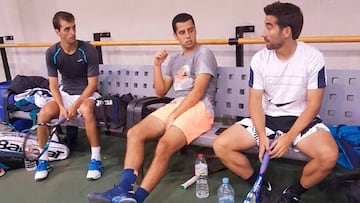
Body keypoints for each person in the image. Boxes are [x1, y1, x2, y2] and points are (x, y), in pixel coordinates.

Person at [213, 2, 338, 203]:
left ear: (286, 31)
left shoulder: (313, 57)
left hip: (300, 119)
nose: (263, 33)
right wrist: (262, 136)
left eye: (269, 27)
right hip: (268, 118)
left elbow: (313, 105)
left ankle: (294, 192)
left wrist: (289, 137)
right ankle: (259, 183)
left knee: (329, 155)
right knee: (221, 146)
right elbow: (254, 100)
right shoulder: (260, 59)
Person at [88, 12, 217, 203]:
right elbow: (161, 91)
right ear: (175, 36)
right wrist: (156, 65)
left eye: (191, 30)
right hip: (176, 105)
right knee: (135, 133)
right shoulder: (174, 60)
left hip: (200, 107)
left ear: (195, 30)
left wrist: (175, 114)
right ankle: (123, 189)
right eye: (182, 32)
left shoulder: (203, 54)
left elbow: (198, 92)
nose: (188, 36)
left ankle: (137, 199)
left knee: (164, 145)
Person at [35, 11, 102, 181]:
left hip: (87, 93)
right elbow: (53, 85)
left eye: (74, 27)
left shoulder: (88, 50)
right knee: (42, 114)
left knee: (86, 110)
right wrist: (63, 107)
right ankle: (43, 160)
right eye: (67, 29)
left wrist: (75, 105)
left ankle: (96, 159)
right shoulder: (52, 53)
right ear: (57, 32)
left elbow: (92, 84)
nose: (72, 32)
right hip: (65, 93)